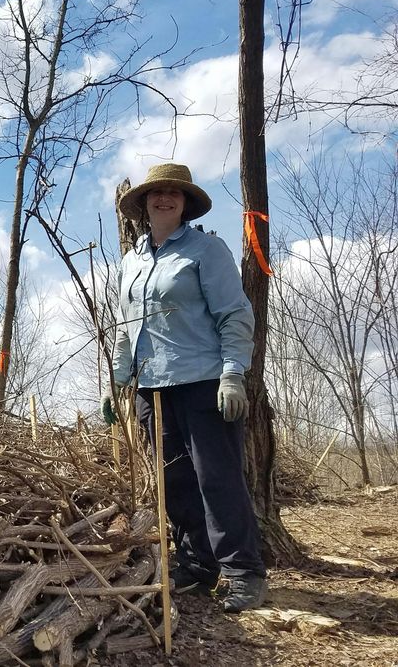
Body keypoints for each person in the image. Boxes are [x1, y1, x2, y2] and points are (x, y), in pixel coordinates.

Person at [106, 162, 267, 613]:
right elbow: (125, 327)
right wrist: (117, 381)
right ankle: (198, 566)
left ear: (185, 203)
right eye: (157, 192)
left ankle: (243, 572)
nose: (165, 198)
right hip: (152, 389)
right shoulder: (131, 262)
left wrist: (234, 372)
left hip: (203, 383)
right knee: (175, 481)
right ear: (142, 203)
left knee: (217, 479)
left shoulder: (205, 250)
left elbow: (235, 314)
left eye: (175, 193)